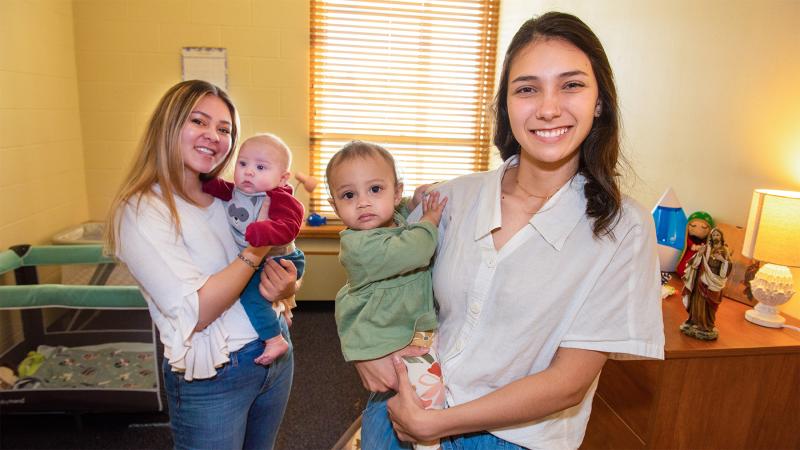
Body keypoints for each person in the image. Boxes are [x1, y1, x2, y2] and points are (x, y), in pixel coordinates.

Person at [353, 12, 665, 449]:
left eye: (571, 85)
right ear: (506, 104)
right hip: (405, 407)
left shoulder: (622, 228)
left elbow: (568, 382)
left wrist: (440, 425)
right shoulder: (451, 200)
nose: (549, 107)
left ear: (599, 102)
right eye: (527, 89)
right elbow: (373, 271)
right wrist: (364, 348)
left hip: (511, 439)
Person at [105, 80, 298, 450]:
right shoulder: (142, 209)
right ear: (168, 125)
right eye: (198, 121)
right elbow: (196, 311)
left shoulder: (229, 196)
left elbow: (280, 264)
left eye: (224, 129)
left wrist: (288, 289)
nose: (214, 136)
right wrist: (257, 250)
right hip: (214, 374)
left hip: (275, 352)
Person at [326, 141, 448, 450]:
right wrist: (429, 219)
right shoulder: (358, 246)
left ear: (396, 193)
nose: (363, 203)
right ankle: (427, 442)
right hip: (385, 338)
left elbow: (401, 219)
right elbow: (416, 249)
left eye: (375, 189)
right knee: (423, 397)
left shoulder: (393, 221)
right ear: (335, 204)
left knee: (416, 393)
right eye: (349, 195)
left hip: (408, 331)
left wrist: (414, 202)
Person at [202, 133, 305, 365]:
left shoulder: (279, 197)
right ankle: (284, 313)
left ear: (282, 177)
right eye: (243, 164)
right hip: (261, 257)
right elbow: (217, 187)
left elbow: (289, 226)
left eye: (260, 167)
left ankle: (274, 339)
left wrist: (263, 231)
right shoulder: (237, 191)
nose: (249, 172)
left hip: (281, 257)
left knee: (251, 296)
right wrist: (203, 180)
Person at [680, 227, 731, 340]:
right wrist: (699, 254)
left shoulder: (724, 250)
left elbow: (727, 268)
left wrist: (722, 260)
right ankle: (694, 321)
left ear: (721, 237)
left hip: (714, 281)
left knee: (710, 304)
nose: (715, 237)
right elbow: (694, 263)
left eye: (718, 235)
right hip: (702, 279)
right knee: (697, 302)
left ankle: (707, 325)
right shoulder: (706, 248)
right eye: (713, 235)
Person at [675, 211, 714, 278]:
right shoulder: (687, 239)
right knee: (685, 265)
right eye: (693, 226)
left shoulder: (706, 242)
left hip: (698, 256)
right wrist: (694, 246)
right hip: (689, 253)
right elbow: (688, 243)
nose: (699, 230)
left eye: (704, 227)